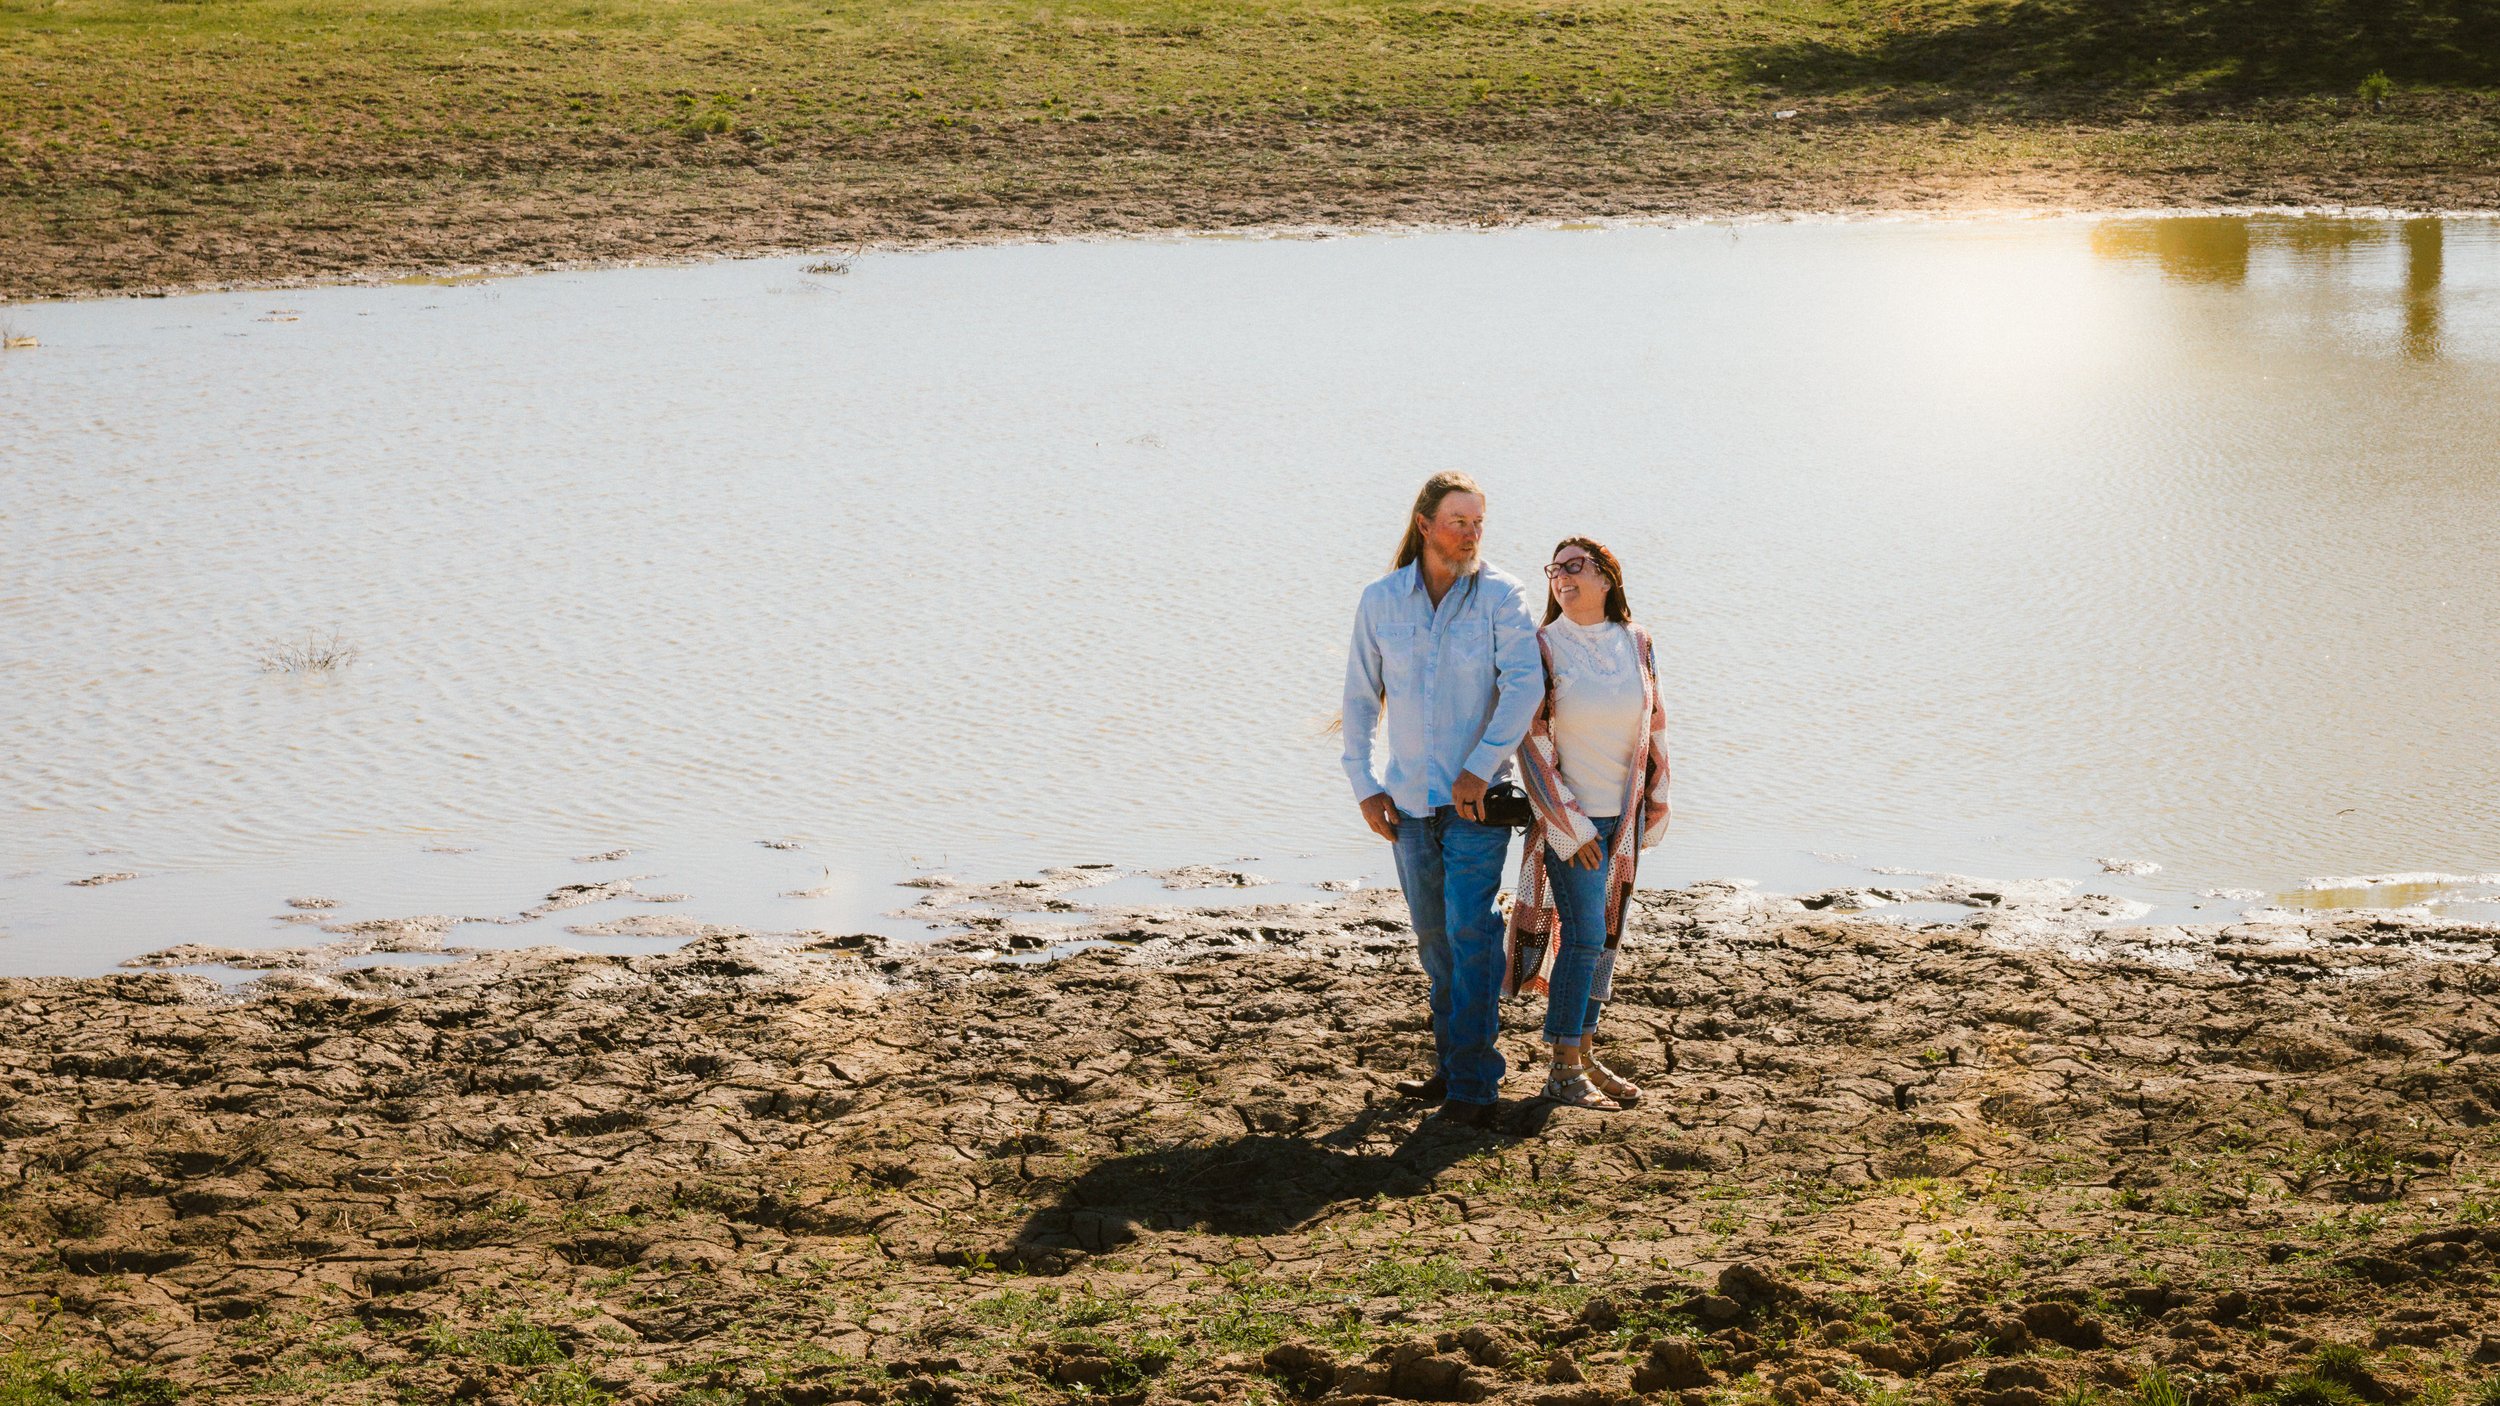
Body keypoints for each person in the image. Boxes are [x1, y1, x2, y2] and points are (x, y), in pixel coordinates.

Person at [1342, 472, 1543, 1129]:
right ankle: (1453, 1066)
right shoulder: (1380, 601)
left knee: (1471, 933)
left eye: (1479, 522)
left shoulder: (1502, 595)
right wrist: (1365, 785)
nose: (1471, 534)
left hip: (1478, 806)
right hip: (1406, 805)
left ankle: (1474, 1088)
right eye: (1459, 522)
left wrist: (1479, 769)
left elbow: (1525, 686)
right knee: (1435, 942)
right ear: (1425, 524)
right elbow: (1359, 697)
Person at [1505, 537, 1670, 1111]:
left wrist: (1656, 801)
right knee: (1582, 938)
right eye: (1554, 568)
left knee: (1605, 939)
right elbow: (1530, 742)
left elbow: (1656, 721)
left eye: (1575, 566)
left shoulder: (1638, 641)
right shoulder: (1541, 647)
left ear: (1607, 577)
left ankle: (1585, 1053)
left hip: (1623, 819)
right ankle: (1562, 1068)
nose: (1561, 576)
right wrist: (1568, 826)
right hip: (1571, 821)